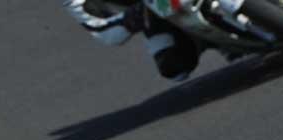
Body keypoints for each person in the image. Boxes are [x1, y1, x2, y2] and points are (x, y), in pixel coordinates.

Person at [63, 0, 200, 80]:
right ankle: (207, 40)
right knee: (174, 67)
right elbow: (101, 31)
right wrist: (133, 17)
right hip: (155, 12)